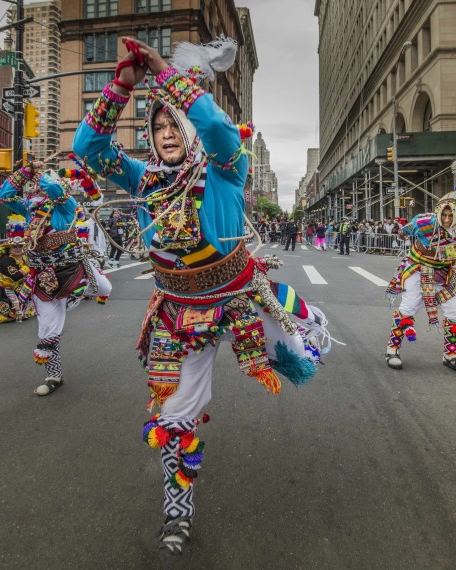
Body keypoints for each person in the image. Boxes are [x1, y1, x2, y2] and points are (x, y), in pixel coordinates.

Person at [72, 36, 329, 554]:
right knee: (173, 417)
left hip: (239, 296)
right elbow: (88, 150)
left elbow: (214, 126)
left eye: (175, 125)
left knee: (297, 357)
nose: (167, 133)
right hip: (178, 314)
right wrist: (123, 86)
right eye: (159, 126)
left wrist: (164, 71)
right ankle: (177, 512)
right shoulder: (144, 180)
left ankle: (308, 324)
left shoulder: (226, 168)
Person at [0, 160, 112, 395]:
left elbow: (56, 191)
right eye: (35, 185)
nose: (36, 188)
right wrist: (25, 172)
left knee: (104, 288)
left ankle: (74, 297)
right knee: (47, 330)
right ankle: (53, 375)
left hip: (73, 267)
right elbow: (4, 196)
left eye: (41, 185)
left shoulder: (66, 204)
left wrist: (42, 174)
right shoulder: (28, 207)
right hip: (44, 276)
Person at [384, 192, 456, 372]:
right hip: (419, 267)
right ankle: (392, 349)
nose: (446, 219)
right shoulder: (423, 222)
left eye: (451, 216)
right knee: (409, 307)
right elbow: (403, 232)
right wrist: (403, 233)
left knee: (455, 313)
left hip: (448, 271)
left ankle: (450, 354)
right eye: (443, 215)